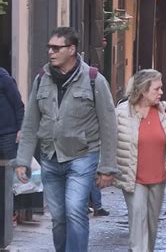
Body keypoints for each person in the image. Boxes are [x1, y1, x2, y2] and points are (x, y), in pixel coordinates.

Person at [15, 27, 118, 252]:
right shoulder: (41, 79)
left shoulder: (94, 80)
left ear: (71, 49)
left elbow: (109, 125)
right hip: (50, 157)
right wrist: (22, 160)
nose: (50, 52)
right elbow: (31, 123)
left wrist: (107, 167)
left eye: (56, 47)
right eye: (49, 47)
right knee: (59, 217)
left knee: (74, 210)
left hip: (82, 156)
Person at [114, 69, 166, 251]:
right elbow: (109, 140)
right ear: (143, 90)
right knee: (138, 218)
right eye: (156, 89)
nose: (161, 92)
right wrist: (106, 169)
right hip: (133, 178)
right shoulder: (121, 113)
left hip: (158, 178)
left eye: (161, 88)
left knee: (151, 223)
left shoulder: (164, 110)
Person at [0, 67, 24, 227]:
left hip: (7, 134)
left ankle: (12, 213)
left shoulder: (4, 79)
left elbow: (18, 105)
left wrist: (21, 128)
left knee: (10, 177)